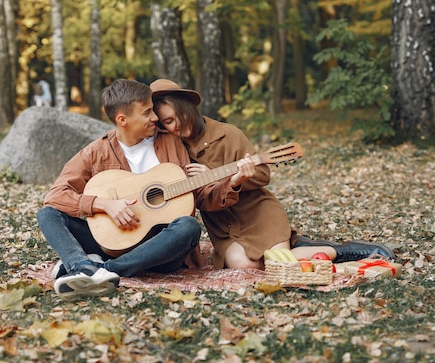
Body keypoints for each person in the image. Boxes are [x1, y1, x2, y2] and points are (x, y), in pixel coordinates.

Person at [150, 79, 395, 270]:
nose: (177, 125)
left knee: (279, 262)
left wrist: (222, 176)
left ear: (188, 107)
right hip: (222, 222)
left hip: (257, 212)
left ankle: (339, 251)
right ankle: (301, 247)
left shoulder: (228, 133)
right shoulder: (172, 147)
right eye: (168, 122)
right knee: (245, 265)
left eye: (177, 115)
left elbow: (262, 176)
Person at [37, 79, 203, 300]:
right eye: (146, 113)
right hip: (111, 242)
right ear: (122, 120)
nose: (155, 117)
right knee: (48, 214)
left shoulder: (171, 143)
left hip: (160, 250)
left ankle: (100, 269)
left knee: (189, 227)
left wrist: (230, 181)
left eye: (152, 110)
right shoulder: (95, 152)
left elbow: (193, 197)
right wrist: (104, 204)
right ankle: (82, 265)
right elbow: (55, 195)